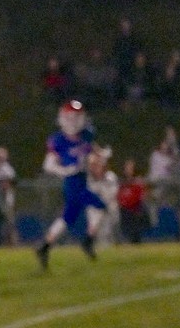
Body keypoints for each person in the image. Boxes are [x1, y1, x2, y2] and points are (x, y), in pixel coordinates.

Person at [35, 100, 111, 270]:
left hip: (82, 179)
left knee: (67, 219)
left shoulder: (86, 134)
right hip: (72, 183)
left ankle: (44, 246)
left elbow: (91, 148)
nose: (74, 121)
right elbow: (48, 165)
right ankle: (88, 241)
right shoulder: (57, 140)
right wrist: (65, 170)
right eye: (71, 117)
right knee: (100, 205)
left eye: (77, 117)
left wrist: (102, 153)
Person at [86, 150, 120, 247]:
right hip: (95, 208)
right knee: (98, 232)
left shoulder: (110, 177)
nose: (96, 168)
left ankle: (111, 248)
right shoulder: (89, 179)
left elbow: (113, 192)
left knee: (110, 231)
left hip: (109, 207)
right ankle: (101, 249)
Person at [0, 146, 18, 245]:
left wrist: (5, 183)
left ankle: (13, 243)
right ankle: (3, 243)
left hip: (7, 199)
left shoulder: (7, 169)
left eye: (1, 156)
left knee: (9, 223)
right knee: (2, 223)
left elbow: (10, 183)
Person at [116, 159, 149, 244]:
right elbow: (119, 195)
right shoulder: (122, 182)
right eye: (127, 168)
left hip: (135, 211)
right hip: (124, 211)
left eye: (130, 168)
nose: (128, 170)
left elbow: (140, 196)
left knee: (135, 234)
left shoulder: (137, 182)